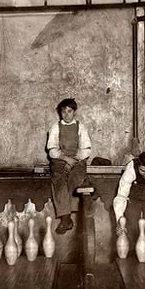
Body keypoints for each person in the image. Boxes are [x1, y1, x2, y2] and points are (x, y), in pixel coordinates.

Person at [46, 98, 92, 234]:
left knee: (74, 180)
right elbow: (52, 149)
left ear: (74, 112)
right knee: (59, 181)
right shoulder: (55, 127)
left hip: (77, 161)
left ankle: (66, 217)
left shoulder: (81, 127)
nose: (66, 115)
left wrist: (74, 160)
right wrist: (65, 159)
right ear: (60, 113)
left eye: (69, 111)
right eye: (63, 112)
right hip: (60, 160)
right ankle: (66, 219)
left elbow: (86, 149)